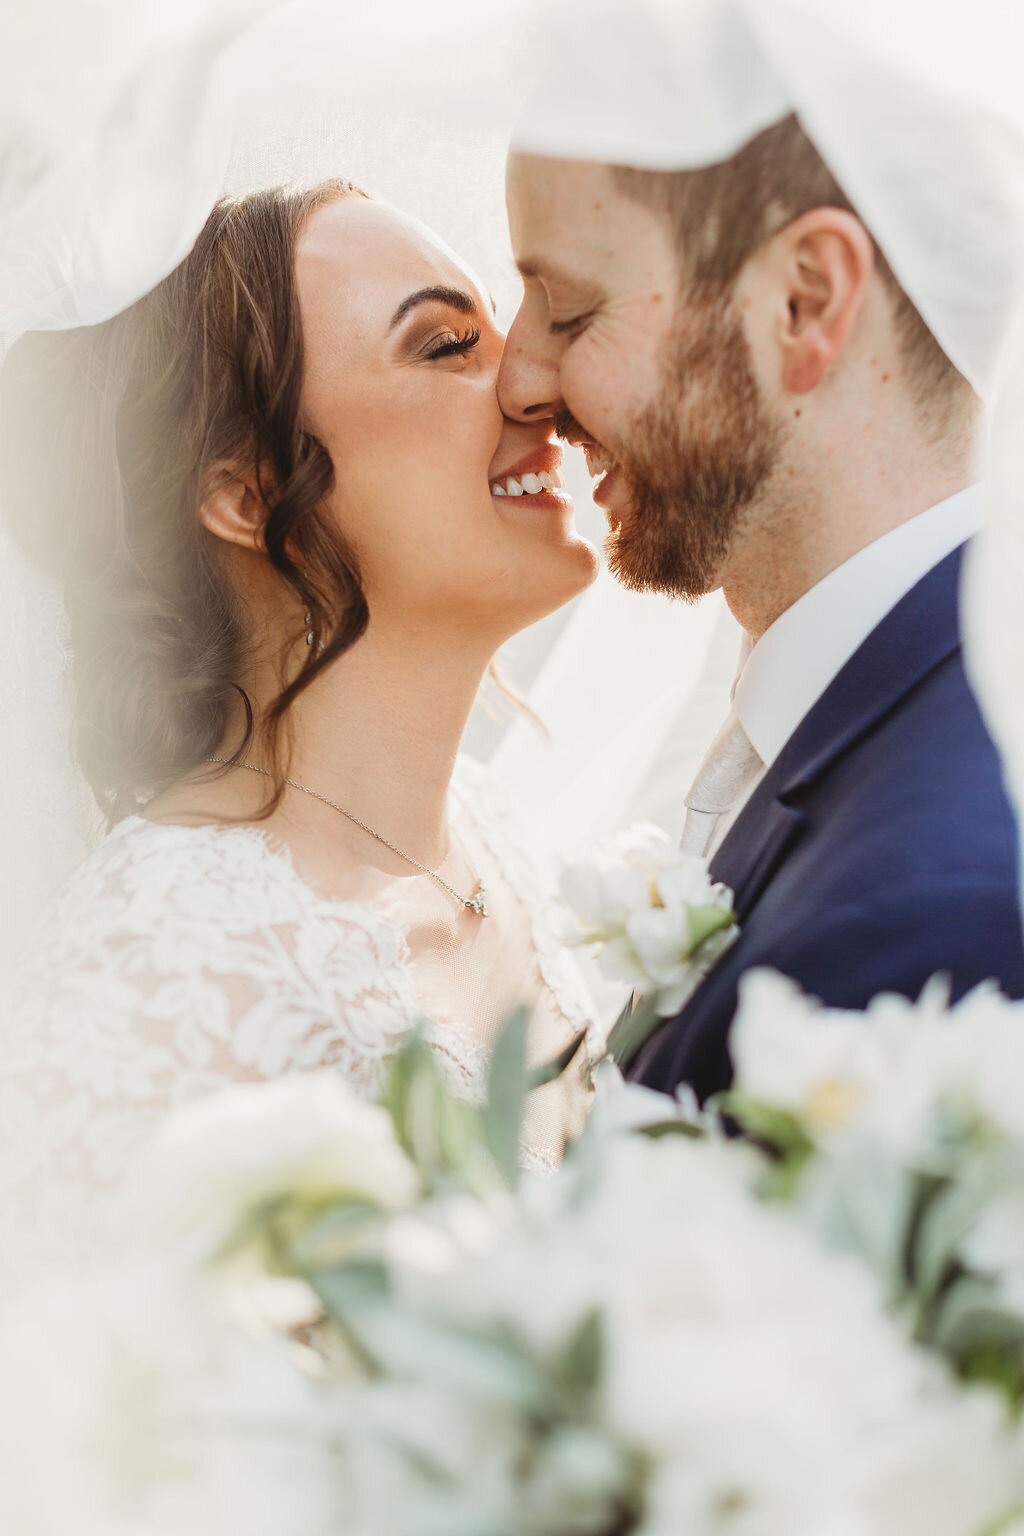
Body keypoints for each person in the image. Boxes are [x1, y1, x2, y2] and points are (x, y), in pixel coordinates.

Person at [0, 178, 600, 1258]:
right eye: (444, 344)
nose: (533, 384)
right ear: (247, 491)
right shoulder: (153, 986)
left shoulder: (490, 829)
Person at [498, 110, 1024, 1103]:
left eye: (567, 312)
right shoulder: (860, 708)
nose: (519, 378)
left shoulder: (943, 904)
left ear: (804, 299)